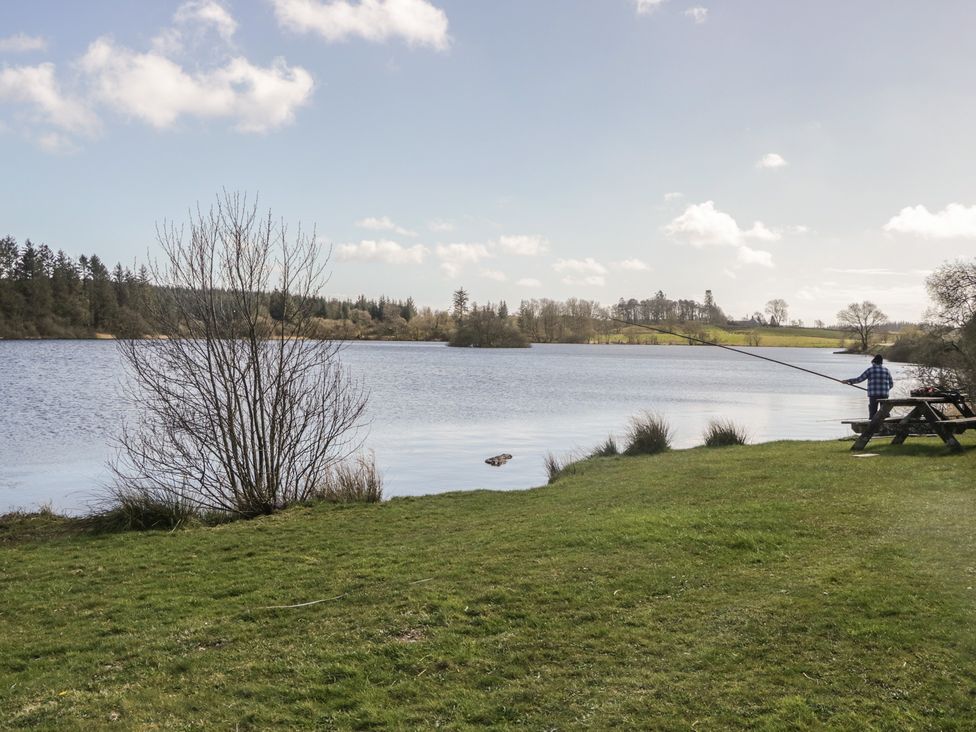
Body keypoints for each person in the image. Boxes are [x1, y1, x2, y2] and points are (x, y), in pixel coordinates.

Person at [844, 354, 894, 419]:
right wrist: (885, 390)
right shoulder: (887, 370)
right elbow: (891, 384)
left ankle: (872, 425)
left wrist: (849, 381)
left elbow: (859, 379)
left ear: (873, 362)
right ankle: (886, 424)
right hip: (884, 394)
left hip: (873, 395)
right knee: (884, 412)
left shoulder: (870, 370)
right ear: (881, 363)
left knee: (873, 412)